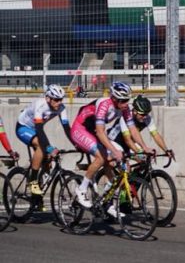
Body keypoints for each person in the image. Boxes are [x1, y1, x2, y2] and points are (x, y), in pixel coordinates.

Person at [70, 81, 135, 217]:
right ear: (115, 98)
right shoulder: (104, 104)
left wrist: (144, 148)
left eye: (127, 100)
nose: (126, 104)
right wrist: (114, 151)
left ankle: (107, 202)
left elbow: (133, 129)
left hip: (93, 132)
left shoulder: (125, 108)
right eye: (123, 101)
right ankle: (81, 189)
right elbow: (100, 132)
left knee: (114, 161)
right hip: (80, 129)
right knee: (101, 156)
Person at [15, 84, 70, 196]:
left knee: (48, 160)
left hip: (35, 130)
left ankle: (38, 196)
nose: (59, 102)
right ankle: (33, 182)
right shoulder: (40, 105)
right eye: (56, 99)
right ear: (48, 98)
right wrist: (49, 148)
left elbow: (67, 129)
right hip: (23, 128)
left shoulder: (61, 108)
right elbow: (40, 130)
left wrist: (77, 144)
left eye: (61, 99)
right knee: (42, 146)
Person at [107, 95, 172, 159]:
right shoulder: (125, 117)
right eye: (142, 114)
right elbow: (127, 139)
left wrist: (166, 150)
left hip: (128, 143)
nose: (145, 117)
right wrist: (140, 152)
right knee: (125, 167)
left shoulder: (147, 118)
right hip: (115, 142)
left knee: (145, 159)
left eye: (146, 114)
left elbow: (156, 135)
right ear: (135, 111)